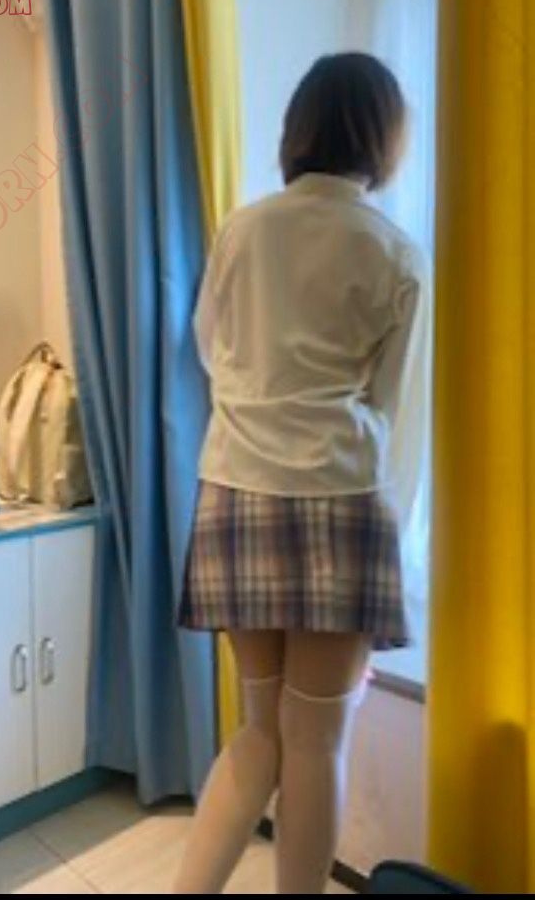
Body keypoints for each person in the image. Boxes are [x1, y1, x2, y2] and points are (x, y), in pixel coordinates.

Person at [174, 52, 429, 894]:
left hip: (236, 491)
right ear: (384, 139)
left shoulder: (243, 228)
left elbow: (212, 348)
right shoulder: (395, 251)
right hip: (338, 498)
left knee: (259, 731)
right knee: (317, 739)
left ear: (298, 129)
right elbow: (395, 408)